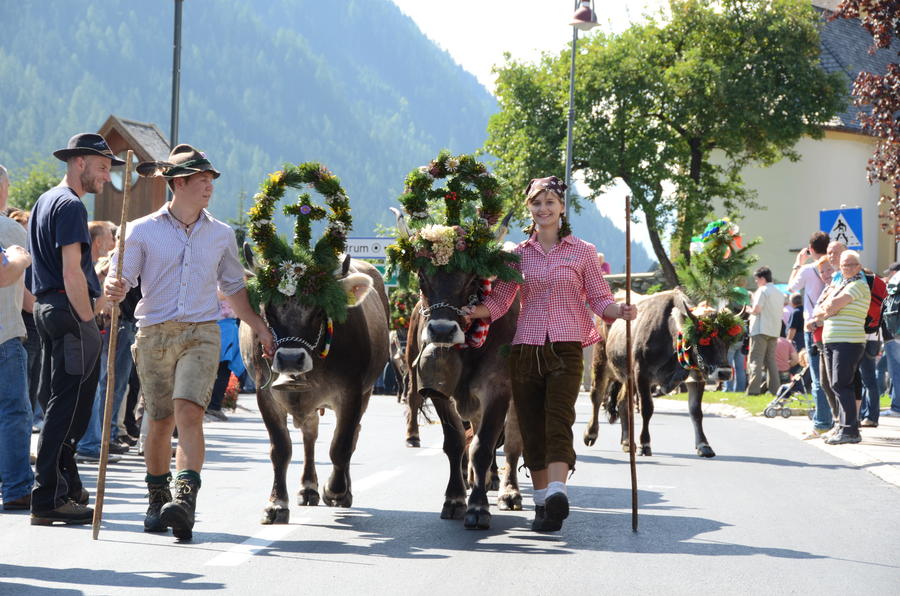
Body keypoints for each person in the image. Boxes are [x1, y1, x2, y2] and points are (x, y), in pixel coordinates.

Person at [104, 144, 274, 540]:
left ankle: (184, 500)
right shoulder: (139, 230)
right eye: (201, 179)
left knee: (189, 414)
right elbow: (122, 280)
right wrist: (114, 286)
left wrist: (259, 326)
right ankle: (156, 495)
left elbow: (233, 286)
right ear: (178, 183)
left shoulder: (220, 234)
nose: (209, 186)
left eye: (211, 179)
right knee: (159, 421)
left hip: (201, 331)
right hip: (155, 334)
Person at [461, 175, 637, 533]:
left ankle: (558, 489)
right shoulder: (517, 255)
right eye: (536, 203)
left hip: (567, 346)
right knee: (529, 425)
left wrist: (619, 311)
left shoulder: (583, 251)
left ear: (561, 208)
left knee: (558, 418)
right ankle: (543, 504)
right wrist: (470, 312)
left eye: (549, 203)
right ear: (530, 208)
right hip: (525, 347)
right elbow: (500, 302)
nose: (543, 209)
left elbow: (598, 298)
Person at [27, 133, 124, 525]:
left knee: (60, 404)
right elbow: (71, 273)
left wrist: (104, 296)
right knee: (67, 409)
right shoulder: (70, 206)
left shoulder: (45, 201)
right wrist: (88, 319)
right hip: (68, 312)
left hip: (49, 308)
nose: (106, 175)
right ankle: (48, 497)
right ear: (79, 162)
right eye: (102, 166)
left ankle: (67, 485)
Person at [76, 222, 129, 462]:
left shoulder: (87, 265)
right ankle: (89, 444)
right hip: (86, 333)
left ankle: (94, 441)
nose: (112, 242)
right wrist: (105, 300)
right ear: (98, 241)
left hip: (93, 333)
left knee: (99, 388)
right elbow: (91, 305)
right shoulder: (87, 267)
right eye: (110, 237)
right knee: (94, 389)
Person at [1, 163, 35, 512]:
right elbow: (10, 279)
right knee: (13, 412)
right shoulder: (9, 229)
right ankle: (16, 487)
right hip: (4, 333)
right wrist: (19, 257)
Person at [809, 250, 870, 445]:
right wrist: (826, 309)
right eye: (844, 265)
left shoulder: (858, 285)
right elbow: (821, 307)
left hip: (848, 341)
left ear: (859, 267)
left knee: (842, 384)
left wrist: (827, 309)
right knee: (835, 384)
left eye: (852, 264)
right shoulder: (840, 284)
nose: (848, 268)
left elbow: (832, 305)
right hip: (832, 340)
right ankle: (843, 427)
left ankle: (850, 430)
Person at [788, 231, 833, 435]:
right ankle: (838, 418)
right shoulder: (834, 267)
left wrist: (798, 262)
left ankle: (822, 421)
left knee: (817, 376)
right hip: (833, 323)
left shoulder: (808, 269)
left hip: (812, 325)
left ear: (811, 248)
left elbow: (791, 288)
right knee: (834, 374)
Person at [746, 266, 784, 395]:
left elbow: (757, 310)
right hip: (774, 330)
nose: (756, 282)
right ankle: (775, 390)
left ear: (762, 278)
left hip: (760, 329)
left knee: (756, 360)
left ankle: (753, 391)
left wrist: (748, 310)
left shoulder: (762, 290)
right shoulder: (779, 292)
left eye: (757, 279)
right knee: (771, 361)